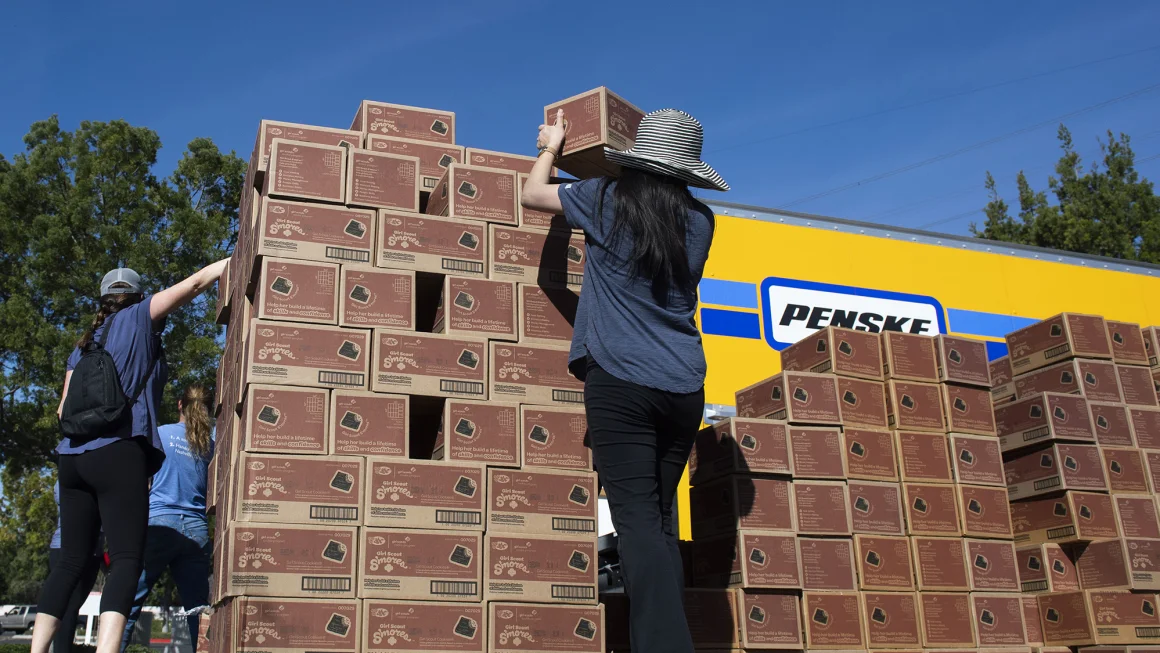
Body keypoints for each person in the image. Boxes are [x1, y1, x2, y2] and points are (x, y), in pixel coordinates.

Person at [521, 108, 728, 653]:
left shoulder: (605, 200)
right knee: (657, 522)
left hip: (622, 379)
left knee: (637, 523)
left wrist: (552, 146)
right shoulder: (701, 221)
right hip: (683, 384)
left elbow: (534, 195)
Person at [33, 261, 228, 653]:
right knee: (125, 559)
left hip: (71, 459)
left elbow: (61, 412)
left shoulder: (84, 344)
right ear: (138, 296)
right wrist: (231, 259)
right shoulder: (140, 318)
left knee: (70, 562)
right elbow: (191, 285)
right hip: (118, 454)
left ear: (103, 299)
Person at [120, 385, 215, 651]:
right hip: (196, 530)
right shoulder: (212, 442)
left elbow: (140, 479)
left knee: (128, 604)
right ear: (207, 408)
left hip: (160, 524)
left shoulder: (160, 434)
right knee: (198, 612)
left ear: (179, 404)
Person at [48, 482, 105, 653]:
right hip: (67, 549)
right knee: (67, 609)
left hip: (94, 551)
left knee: (71, 610)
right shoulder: (69, 474)